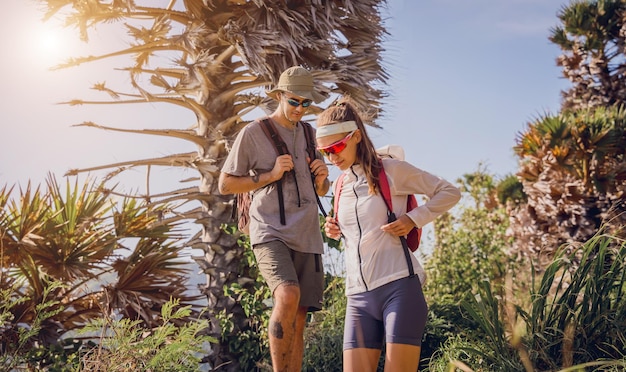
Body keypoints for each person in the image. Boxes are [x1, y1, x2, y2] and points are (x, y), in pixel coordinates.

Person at [316, 97, 461, 372]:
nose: (332, 157)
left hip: (399, 290)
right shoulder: (341, 185)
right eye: (325, 152)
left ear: (356, 136)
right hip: (358, 298)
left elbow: (449, 192)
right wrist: (335, 230)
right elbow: (358, 235)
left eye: (336, 147)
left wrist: (412, 219)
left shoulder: (392, 170)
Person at [218, 66, 330, 372]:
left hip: (308, 232)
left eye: (306, 104)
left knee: (300, 316)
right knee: (287, 293)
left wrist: (323, 179)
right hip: (270, 230)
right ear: (279, 95)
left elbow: (320, 188)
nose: (299, 109)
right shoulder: (253, 133)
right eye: (294, 101)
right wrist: (270, 175)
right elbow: (226, 184)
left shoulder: (311, 134)